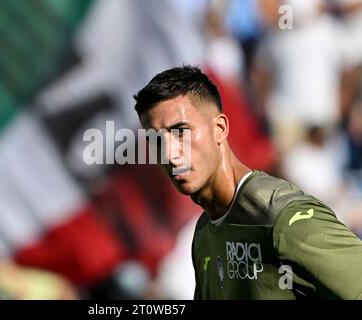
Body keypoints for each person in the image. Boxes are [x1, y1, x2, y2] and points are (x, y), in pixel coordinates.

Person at [133, 65, 362, 299]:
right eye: (156, 141)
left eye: (181, 131)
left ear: (220, 129)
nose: (170, 153)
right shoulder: (203, 234)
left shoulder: (282, 217)